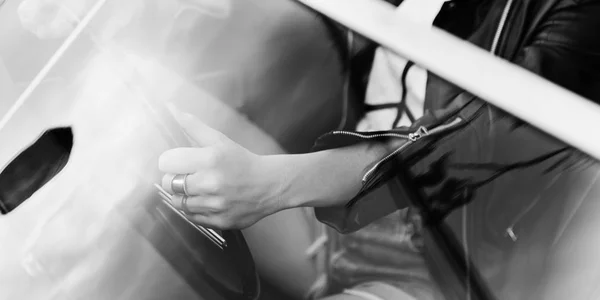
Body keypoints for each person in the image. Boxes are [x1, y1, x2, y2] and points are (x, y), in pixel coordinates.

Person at [159, 0, 600, 299]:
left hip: (436, 264)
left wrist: (276, 185)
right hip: (324, 219)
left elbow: (479, 139)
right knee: (146, 91)